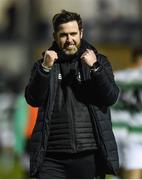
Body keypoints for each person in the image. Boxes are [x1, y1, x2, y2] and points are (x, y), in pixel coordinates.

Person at [25, 10, 120, 179]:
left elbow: (111, 97)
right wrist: (45, 69)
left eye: (73, 34)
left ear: (81, 33)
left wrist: (95, 68)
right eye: (64, 35)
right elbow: (33, 99)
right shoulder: (44, 64)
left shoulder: (99, 61)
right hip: (51, 158)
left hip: (88, 154)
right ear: (55, 36)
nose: (69, 40)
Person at [111, 47, 142, 179]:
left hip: (115, 131)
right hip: (135, 133)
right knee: (133, 173)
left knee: (114, 173)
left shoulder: (116, 77)